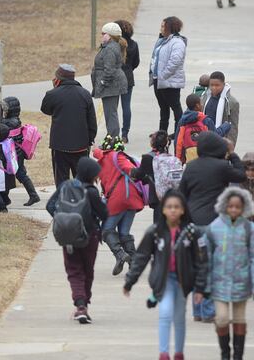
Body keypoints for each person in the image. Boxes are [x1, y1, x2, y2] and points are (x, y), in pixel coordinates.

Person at [124, 190, 209, 360]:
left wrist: (201, 288)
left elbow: (202, 261)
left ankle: (179, 353)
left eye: (176, 207)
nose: (173, 210)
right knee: (165, 312)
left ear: (183, 210)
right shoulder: (154, 232)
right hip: (164, 280)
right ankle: (163, 354)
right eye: (169, 207)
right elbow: (141, 257)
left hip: (182, 281)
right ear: (163, 209)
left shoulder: (192, 233)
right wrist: (130, 281)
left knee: (179, 317)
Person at [178, 132, 245, 322]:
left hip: (192, 224)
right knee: (210, 267)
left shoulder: (190, 167)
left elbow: (181, 194)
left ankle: (197, 310)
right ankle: (208, 311)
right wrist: (232, 154)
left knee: (197, 267)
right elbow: (240, 175)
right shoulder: (222, 167)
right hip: (213, 223)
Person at [206, 187, 254, 360]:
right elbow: (205, 257)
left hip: (241, 282)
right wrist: (204, 283)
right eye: (230, 206)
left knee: (239, 318)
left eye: (237, 207)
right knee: (222, 318)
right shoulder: (214, 227)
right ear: (224, 206)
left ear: (244, 208)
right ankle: (225, 353)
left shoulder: (249, 228)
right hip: (219, 283)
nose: (233, 210)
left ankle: (238, 355)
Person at [46, 157, 108, 324]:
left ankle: (79, 305)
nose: (97, 177)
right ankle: (84, 305)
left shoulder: (65, 186)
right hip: (90, 237)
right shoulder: (92, 192)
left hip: (68, 237)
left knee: (74, 270)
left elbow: (50, 206)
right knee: (88, 271)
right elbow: (104, 214)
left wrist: (63, 220)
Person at [94, 135, 144, 277]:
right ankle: (134, 262)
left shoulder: (106, 159)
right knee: (124, 233)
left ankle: (121, 255)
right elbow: (131, 169)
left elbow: (96, 152)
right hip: (131, 199)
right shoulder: (118, 156)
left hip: (118, 199)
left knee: (106, 229)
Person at [41, 64, 98, 187]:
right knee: (82, 180)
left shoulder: (52, 94)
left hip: (60, 146)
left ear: (59, 79)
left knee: (61, 180)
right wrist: (90, 139)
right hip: (81, 146)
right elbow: (92, 121)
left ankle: (63, 203)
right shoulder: (85, 94)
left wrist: (55, 89)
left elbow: (45, 109)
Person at [1, 96, 40, 206]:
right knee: (18, 174)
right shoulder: (15, 120)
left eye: (5, 109)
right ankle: (32, 195)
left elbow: (1, 126)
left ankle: (6, 198)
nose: (4, 111)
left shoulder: (10, 122)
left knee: (14, 174)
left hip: (14, 153)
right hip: (18, 152)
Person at [150, 17, 187, 134]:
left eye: (163, 26)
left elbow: (175, 61)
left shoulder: (177, 42)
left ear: (170, 27)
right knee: (163, 108)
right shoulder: (163, 40)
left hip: (170, 82)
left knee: (175, 108)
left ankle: (178, 132)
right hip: (159, 80)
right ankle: (162, 133)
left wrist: (163, 75)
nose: (160, 28)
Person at [92, 22, 129, 137]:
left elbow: (109, 70)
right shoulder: (111, 46)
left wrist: (102, 83)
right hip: (113, 85)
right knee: (111, 112)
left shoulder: (109, 49)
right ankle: (112, 137)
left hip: (111, 86)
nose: (101, 35)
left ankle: (112, 139)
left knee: (110, 113)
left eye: (103, 33)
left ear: (109, 35)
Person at [176, 94, 231, 163]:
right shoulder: (206, 120)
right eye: (201, 103)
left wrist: (179, 159)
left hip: (189, 161)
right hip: (205, 159)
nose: (202, 105)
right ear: (197, 105)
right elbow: (215, 135)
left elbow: (178, 141)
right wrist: (226, 126)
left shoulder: (182, 121)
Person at [116, 20, 140, 144]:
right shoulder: (134, 44)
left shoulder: (115, 44)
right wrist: (129, 68)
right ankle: (125, 133)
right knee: (126, 106)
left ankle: (113, 133)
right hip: (128, 77)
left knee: (113, 107)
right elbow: (136, 62)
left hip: (115, 77)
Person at [203, 71, 240, 145]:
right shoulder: (204, 97)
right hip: (204, 139)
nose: (214, 88)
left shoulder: (232, 102)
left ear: (224, 84)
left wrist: (230, 145)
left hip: (221, 141)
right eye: (211, 85)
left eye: (217, 85)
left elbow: (233, 127)